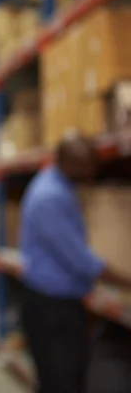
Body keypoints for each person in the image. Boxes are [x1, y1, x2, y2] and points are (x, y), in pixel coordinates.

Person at [19, 134, 131, 393]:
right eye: (88, 164)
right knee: (62, 383)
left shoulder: (58, 184)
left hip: (58, 304)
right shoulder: (50, 197)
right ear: (69, 162)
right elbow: (82, 261)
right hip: (52, 311)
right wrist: (127, 281)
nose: (93, 170)